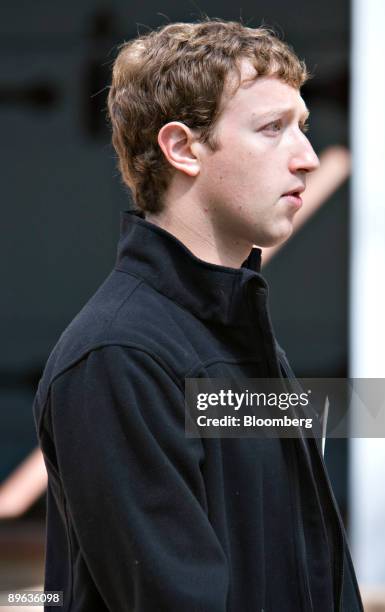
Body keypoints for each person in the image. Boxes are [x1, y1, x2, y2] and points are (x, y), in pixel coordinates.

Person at [33, 20, 362, 611]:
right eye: (272, 129)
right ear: (182, 148)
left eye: (304, 129)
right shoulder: (120, 358)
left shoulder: (240, 339)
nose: (307, 158)